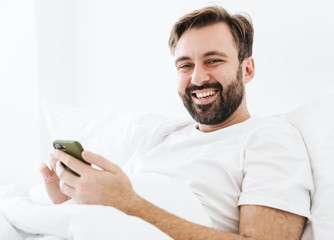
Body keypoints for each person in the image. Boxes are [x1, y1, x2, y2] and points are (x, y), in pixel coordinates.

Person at [39, 6, 313, 240]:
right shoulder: (161, 136)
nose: (197, 79)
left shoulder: (270, 139)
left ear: (247, 69)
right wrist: (69, 197)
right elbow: (114, 211)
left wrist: (127, 203)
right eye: (185, 65)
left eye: (213, 60)